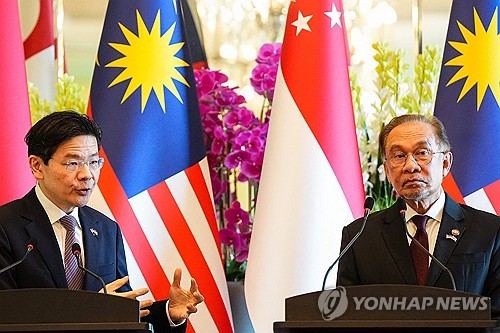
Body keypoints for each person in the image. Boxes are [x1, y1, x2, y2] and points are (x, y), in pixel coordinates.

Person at [0, 111, 204, 332]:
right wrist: (88, 311)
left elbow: (121, 313)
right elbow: (8, 313)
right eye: (73, 163)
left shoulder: (106, 229)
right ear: (37, 166)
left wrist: (168, 313)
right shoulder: (6, 226)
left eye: (94, 162)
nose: (87, 174)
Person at [337, 114, 500, 316]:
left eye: (422, 153)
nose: (410, 166)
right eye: (398, 156)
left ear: (446, 163)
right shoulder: (359, 236)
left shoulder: (489, 231)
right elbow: (347, 317)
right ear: (387, 170)